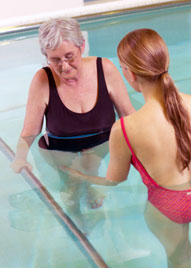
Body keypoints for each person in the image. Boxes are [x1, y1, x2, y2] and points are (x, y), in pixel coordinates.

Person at [61, 28, 191, 268]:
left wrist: (81, 176)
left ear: (130, 75)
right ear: (166, 61)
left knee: (181, 259)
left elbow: (114, 181)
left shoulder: (125, 128)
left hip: (168, 205)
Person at [11, 18, 135, 232]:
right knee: (70, 190)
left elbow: (128, 115)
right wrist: (20, 156)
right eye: (55, 60)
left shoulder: (104, 68)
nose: (64, 67)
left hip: (100, 143)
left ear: (82, 47)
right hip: (60, 148)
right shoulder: (42, 80)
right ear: (46, 57)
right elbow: (30, 131)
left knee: (89, 168)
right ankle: (78, 222)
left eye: (70, 57)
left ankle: (88, 186)